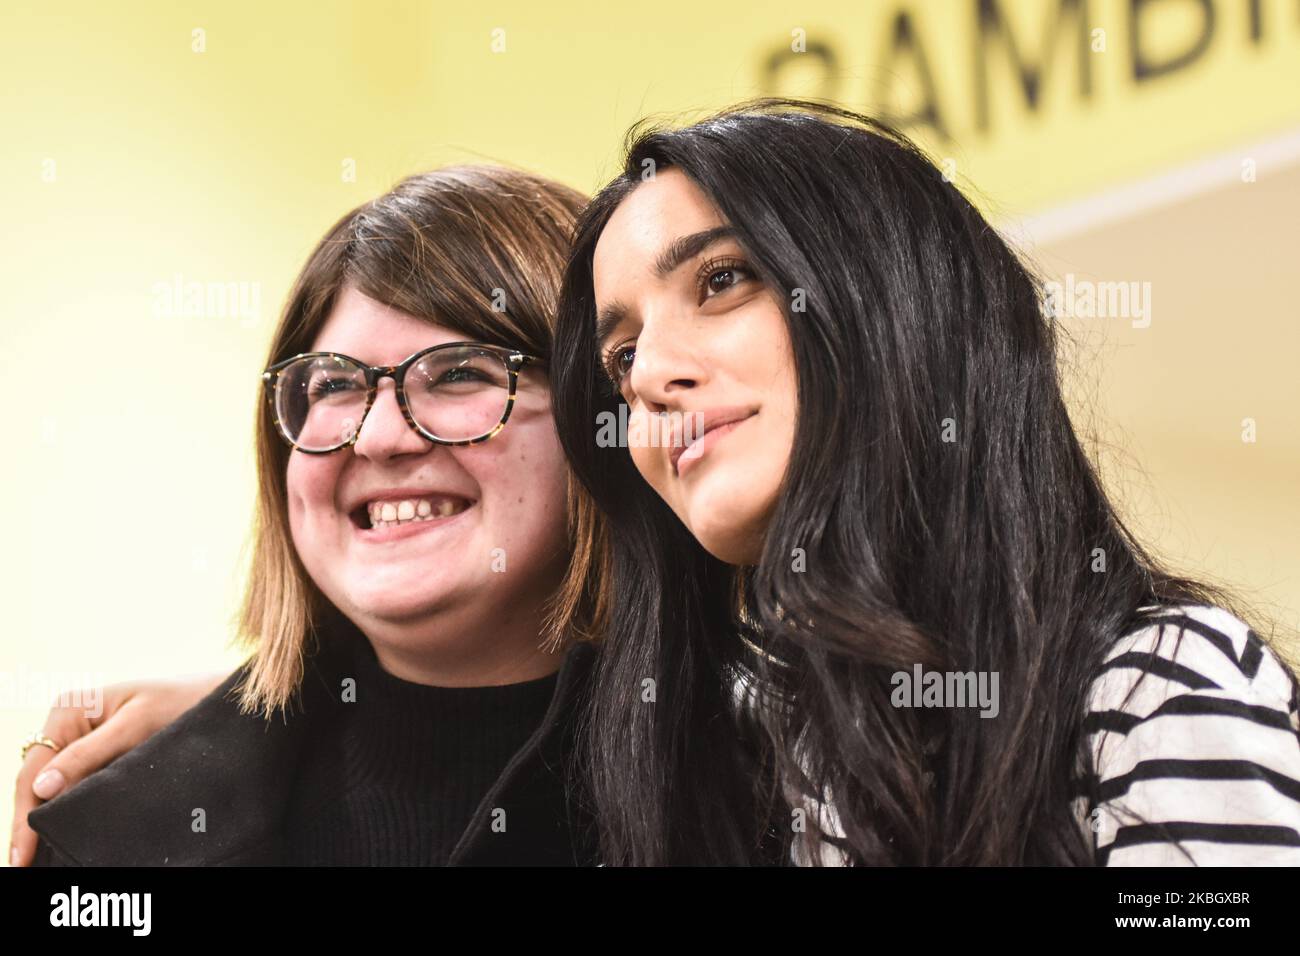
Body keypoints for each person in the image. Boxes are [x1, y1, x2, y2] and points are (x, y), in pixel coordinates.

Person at [548, 98, 1300, 865]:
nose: (649, 377)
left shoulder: (1154, 692)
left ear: (892, 302)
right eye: (622, 355)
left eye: (723, 279)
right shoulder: (717, 779)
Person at [19, 164, 616, 866]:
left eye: (459, 373)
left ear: (602, 413)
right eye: (335, 384)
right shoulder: (121, 836)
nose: (380, 436)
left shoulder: (759, 784)